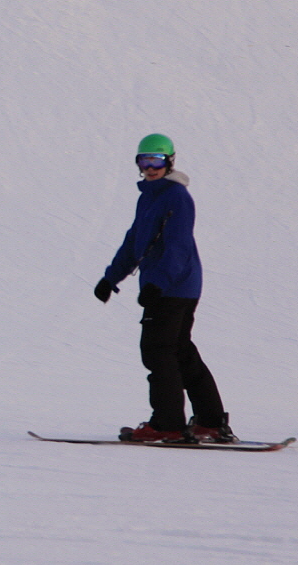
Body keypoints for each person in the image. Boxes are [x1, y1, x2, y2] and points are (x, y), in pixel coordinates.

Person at [91, 135, 234, 444]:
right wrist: (110, 278)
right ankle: (210, 421)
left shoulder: (176, 197)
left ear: (169, 162)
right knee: (179, 351)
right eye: (144, 161)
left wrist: (158, 283)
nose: (150, 167)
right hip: (174, 286)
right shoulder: (149, 197)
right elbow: (135, 241)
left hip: (173, 286)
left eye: (156, 160)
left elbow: (177, 246)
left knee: (158, 352)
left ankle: (167, 424)